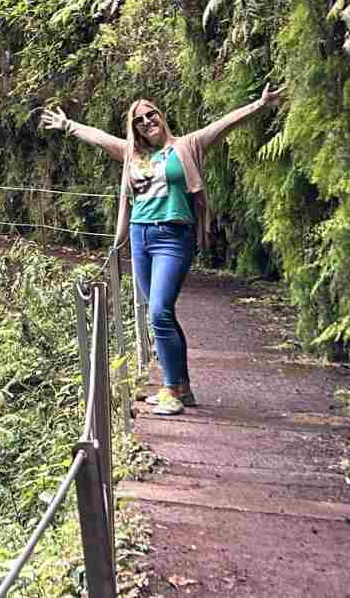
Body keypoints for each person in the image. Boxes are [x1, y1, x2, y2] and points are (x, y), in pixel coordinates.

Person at [39, 84, 284, 415]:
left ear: (161, 116)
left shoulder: (187, 145)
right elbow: (97, 137)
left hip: (174, 236)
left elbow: (225, 124)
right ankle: (182, 387)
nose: (145, 121)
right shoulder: (133, 153)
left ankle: (170, 390)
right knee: (162, 314)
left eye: (150, 114)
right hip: (140, 237)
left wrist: (259, 104)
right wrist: (68, 125)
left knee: (158, 311)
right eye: (138, 120)